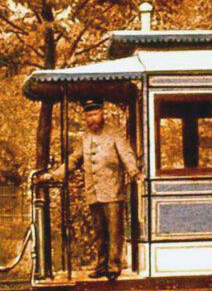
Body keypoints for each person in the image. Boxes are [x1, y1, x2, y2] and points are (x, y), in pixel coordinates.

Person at [38, 99, 141, 280]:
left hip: (112, 190)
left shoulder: (114, 133)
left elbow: (126, 153)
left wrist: (133, 171)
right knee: (99, 232)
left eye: (95, 114)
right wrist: (54, 175)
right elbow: (74, 160)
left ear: (102, 113)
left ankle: (113, 267)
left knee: (114, 231)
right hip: (93, 192)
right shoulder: (85, 138)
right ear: (85, 117)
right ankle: (101, 266)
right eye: (89, 115)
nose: (92, 118)